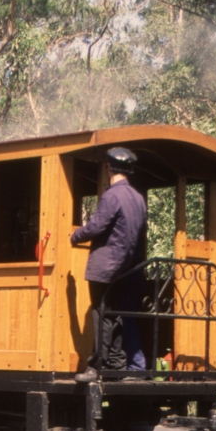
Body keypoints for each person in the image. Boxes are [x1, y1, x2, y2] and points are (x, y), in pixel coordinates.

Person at [71, 147, 147, 382]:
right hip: (129, 269)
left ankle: (97, 367)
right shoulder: (138, 198)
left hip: (106, 266)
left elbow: (96, 227)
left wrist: (75, 235)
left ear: (108, 168)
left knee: (101, 314)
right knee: (115, 315)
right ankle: (116, 363)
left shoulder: (112, 195)